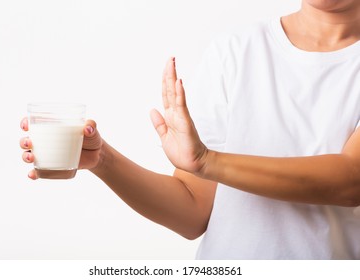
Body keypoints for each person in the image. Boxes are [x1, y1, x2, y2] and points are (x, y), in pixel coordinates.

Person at [20, 0, 360, 259]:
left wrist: (206, 161)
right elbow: (194, 211)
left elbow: (351, 181)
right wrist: (103, 160)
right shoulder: (236, 51)